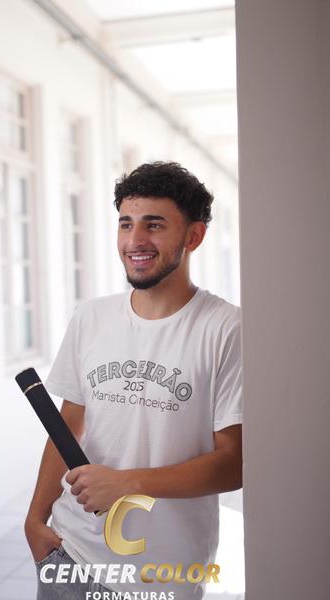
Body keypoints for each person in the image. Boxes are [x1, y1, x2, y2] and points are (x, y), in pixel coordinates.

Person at [25, 161, 242, 600]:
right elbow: (68, 425)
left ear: (194, 236)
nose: (135, 240)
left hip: (163, 574)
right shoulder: (91, 317)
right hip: (71, 554)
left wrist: (127, 483)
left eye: (154, 225)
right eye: (126, 224)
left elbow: (234, 463)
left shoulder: (226, 329)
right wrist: (35, 518)